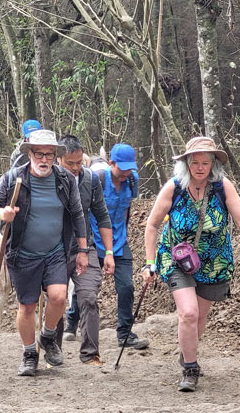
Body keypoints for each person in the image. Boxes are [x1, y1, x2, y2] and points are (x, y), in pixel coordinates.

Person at [142, 136, 240, 392]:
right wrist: (149, 262)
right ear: (186, 164)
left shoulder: (223, 187)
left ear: (213, 165)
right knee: (188, 313)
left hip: (213, 261)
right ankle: (190, 368)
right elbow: (152, 225)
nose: (200, 167)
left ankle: (187, 350)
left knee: (199, 319)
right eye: (195, 162)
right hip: (176, 258)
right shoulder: (174, 187)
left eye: (205, 163)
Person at [0, 129, 89, 376]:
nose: (44, 159)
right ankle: (29, 354)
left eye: (49, 155)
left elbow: (78, 214)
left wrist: (82, 249)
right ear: (29, 153)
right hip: (23, 253)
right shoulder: (12, 179)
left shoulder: (65, 180)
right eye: (39, 153)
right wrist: (1, 214)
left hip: (55, 251)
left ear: (55, 156)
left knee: (59, 297)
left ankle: (48, 336)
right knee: (27, 306)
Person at [55, 135, 114, 366]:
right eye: (70, 163)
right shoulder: (49, 180)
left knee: (88, 297)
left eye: (79, 162)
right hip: (55, 249)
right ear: (58, 159)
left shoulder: (90, 179)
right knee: (56, 300)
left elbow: (102, 215)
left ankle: (90, 354)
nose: (76, 167)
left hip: (84, 247)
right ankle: (54, 351)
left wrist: (108, 253)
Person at [86, 143, 149, 350]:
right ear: (110, 163)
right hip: (94, 241)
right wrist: (101, 249)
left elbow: (127, 210)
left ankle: (124, 333)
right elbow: (90, 215)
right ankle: (72, 322)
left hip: (120, 240)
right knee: (86, 288)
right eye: (122, 167)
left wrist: (116, 244)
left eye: (130, 167)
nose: (126, 172)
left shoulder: (132, 180)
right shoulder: (97, 180)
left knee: (127, 287)